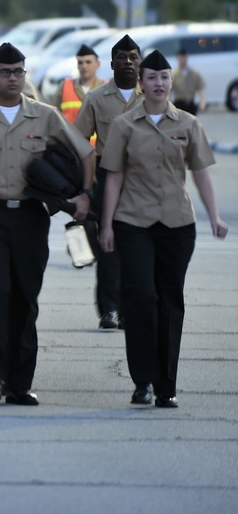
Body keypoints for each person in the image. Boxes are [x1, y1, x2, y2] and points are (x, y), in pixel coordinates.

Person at [0, 42, 94, 405]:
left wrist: (85, 194)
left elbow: (86, 151)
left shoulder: (44, 115)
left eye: (19, 72)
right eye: (6, 72)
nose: (13, 78)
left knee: (25, 299)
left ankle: (19, 383)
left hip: (29, 216)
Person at [99, 49, 228, 408]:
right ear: (141, 84)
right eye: (152, 78)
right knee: (141, 297)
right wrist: (106, 225)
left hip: (177, 224)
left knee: (171, 300)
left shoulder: (188, 124)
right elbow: (114, 177)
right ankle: (143, 381)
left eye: (164, 77)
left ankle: (165, 385)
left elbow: (201, 173)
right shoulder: (124, 126)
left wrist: (214, 217)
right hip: (134, 221)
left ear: (171, 82)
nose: (159, 83)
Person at [75, 35, 144, 330]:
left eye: (133, 57)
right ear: (112, 63)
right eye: (122, 57)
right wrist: (86, 186)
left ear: (140, 63)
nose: (128, 62)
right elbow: (78, 142)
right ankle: (110, 309)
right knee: (109, 245)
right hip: (108, 178)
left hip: (145, 180)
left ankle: (134, 308)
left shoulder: (153, 96)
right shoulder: (96, 98)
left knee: (141, 246)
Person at [51, 43, 102, 123]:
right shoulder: (65, 86)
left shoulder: (105, 88)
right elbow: (52, 114)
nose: (84, 66)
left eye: (88, 62)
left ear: (98, 64)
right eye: (80, 63)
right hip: (69, 135)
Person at [171, 47, 206, 115]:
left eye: (185, 58)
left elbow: (201, 88)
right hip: (179, 104)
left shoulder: (195, 73)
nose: (183, 60)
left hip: (190, 104)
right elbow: (168, 91)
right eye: (181, 58)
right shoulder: (173, 74)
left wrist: (202, 103)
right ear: (177, 59)